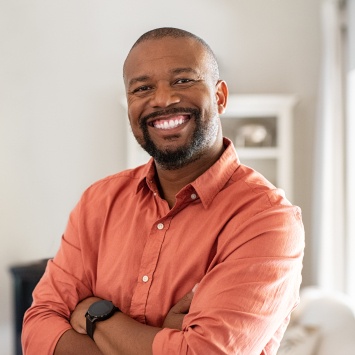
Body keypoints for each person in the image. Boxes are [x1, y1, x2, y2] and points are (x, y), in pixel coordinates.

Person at [22, 27, 304, 355]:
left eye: (183, 80)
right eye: (142, 88)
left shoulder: (267, 219)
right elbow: (38, 329)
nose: (162, 100)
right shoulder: (99, 201)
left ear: (220, 97)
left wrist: (96, 315)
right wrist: (162, 341)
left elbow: (205, 352)